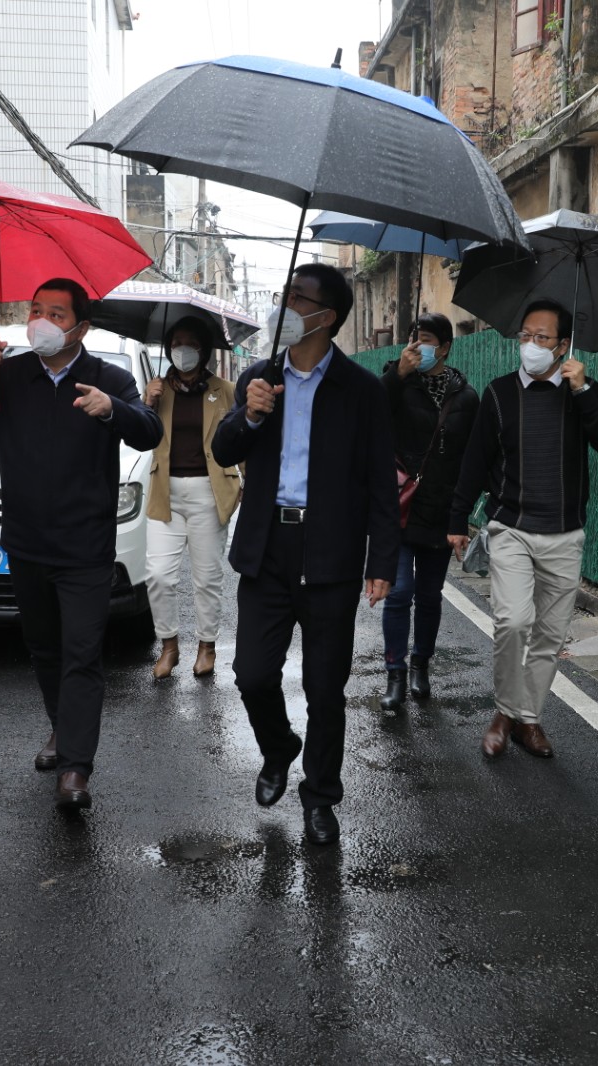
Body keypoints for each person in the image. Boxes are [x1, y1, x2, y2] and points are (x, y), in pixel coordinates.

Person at [0, 278, 162, 809]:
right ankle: (62, 727)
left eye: (57, 314)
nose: (41, 322)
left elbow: (148, 431)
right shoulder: (7, 375)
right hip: (26, 542)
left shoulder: (108, 378)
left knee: (82, 655)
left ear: (81, 328)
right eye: (35, 311)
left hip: (85, 546)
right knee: (45, 648)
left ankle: (75, 769)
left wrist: (111, 409)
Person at [211, 262, 399, 846]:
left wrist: (381, 563)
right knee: (251, 674)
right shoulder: (258, 378)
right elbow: (223, 449)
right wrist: (250, 415)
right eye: (284, 295)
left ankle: (320, 797)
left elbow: (380, 483)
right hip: (266, 546)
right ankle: (278, 748)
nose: (285, 306)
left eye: (298, 298)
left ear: (327, 316)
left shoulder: (361, 391)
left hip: (330, 551)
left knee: (324, 688)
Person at [447, 299, 598, 759]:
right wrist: (457, 519)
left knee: (549, 635)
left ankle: (526, 718)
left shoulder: (581, 393)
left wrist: (584, 390)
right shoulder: (499, 393)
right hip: (511, 527)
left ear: (562, 345)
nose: (530, 344)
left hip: (564, 533)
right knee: (512, 622)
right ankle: (504, 712)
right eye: (525, 335)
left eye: (541, 337)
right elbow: (476, 460)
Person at [378, 313, 479, 711]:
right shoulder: (396, 382)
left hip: (441, 509)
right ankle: (395, 673)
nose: (419, 346)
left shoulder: (466, 397)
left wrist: (461, 516)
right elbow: (370, 415)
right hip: (400, 505)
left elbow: (471, 460)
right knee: (399, 592)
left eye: (427, 339)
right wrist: (398, 375)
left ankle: (421, 664)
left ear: (446, 347)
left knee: (429, 596)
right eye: (414, 338)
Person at [142, 315, 242, 681]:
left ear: (204, 349)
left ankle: (206, 646)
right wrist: (147, 403)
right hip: (165, 492)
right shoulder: (157, 389)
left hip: (209, 492)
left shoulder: (225, 390)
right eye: (176, 343)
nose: (182, 350)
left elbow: (240, 437)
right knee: (158, 575)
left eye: (190, 343)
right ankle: (169, 645)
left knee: (207, 577)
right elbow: (141, 436)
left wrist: (246, 481)